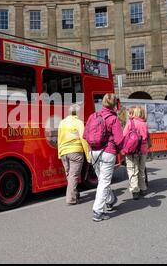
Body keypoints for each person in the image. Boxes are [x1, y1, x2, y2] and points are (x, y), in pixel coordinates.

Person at [90, 94, 124, 222]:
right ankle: (98, 211)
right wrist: (122, 150)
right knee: (104, 181)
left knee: (101, 180)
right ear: (114, 104)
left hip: (93, 152)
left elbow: (85, 135)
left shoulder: (94, 116)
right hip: (108, 152)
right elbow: (119, 140)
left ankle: (110, 200)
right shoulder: (113, 119)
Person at [58, 104, 91, 205]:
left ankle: (75, 193)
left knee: (69, 174)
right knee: (73, 175)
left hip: (64, 152)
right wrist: (88, 155)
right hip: (75, 151)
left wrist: (59, 153)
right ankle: (71, 199)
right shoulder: (78, 122)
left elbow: (59, 139)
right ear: (77, 113)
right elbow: (83, 139)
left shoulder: (62, 122)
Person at [123, 106, 149, 200]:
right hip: (143, 150)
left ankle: (135, 191)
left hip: (132, 150)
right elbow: (146, 137)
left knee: (132, 170)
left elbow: (124, 135)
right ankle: (143, 188)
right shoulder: (144, 124)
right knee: (141, 170)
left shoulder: (130, 122)